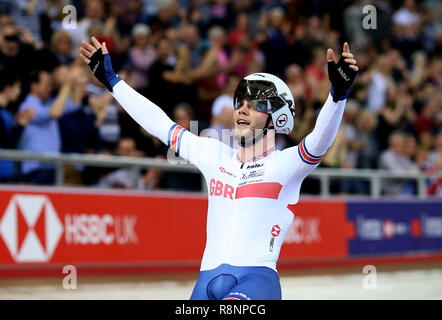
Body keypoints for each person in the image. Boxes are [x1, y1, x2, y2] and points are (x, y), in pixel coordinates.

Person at [80, 36, 358, 300]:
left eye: (256, 104)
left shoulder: (285, 164)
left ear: (278, 118)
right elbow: (160, 125)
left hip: (256, 281)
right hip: (206, 280)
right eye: (240, 103)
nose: (241, 109)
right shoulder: (214, 154)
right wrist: (112, 81)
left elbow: (319, 141)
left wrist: (338, 95)